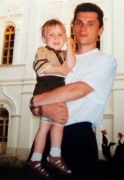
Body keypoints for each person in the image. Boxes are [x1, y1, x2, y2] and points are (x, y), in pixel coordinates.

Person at [30, 3, 117, 179]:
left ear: (100, 30)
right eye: (78, 23)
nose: (83, 28)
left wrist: (37, 101)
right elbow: (36, 104)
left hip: (78, 138)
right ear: (73, 27)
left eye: (90, 23)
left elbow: (77, 90)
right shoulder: (59, 58)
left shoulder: (105, 61)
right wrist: (42, 107)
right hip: (47, 137)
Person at [29, 19, 76, 177]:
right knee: (46, 127)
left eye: (60, 35)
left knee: (57, 123)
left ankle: (51, 156)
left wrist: (69, 46)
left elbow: (71, 63)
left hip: (58, 94)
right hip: (45, 91)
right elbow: (42, 69)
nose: (56, 38)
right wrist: (61, 70)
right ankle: (42, 157)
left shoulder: (62, 54)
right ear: (44, 38)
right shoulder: (42, 51)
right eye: (51, 34)